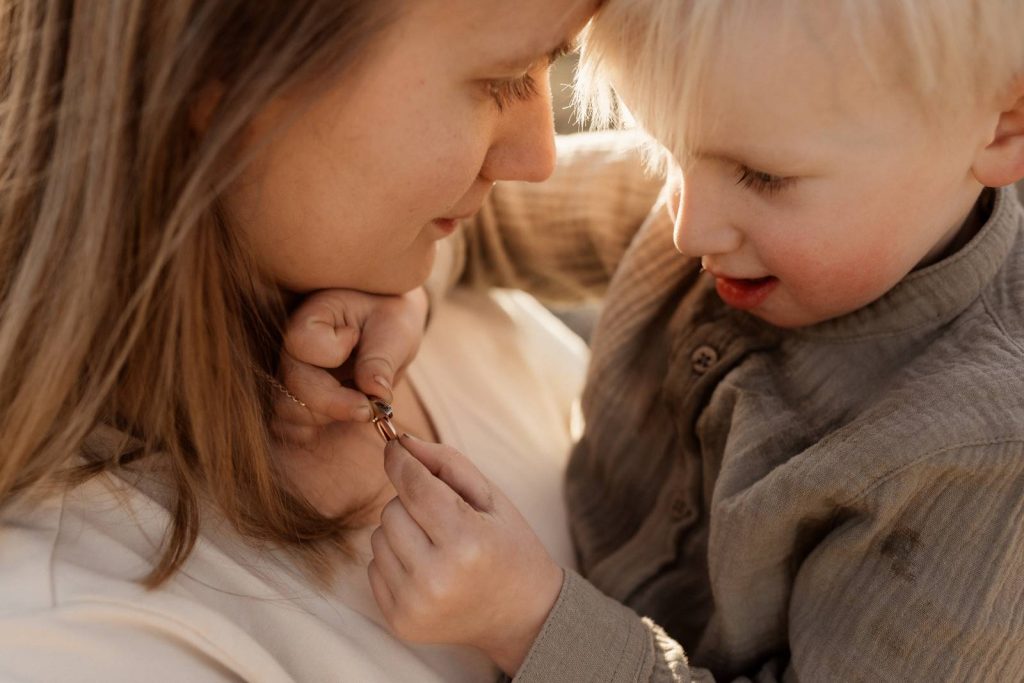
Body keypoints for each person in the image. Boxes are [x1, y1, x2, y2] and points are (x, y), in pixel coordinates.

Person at [280, 1, 1024, 680]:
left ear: (1001, 126)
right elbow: (486, 223)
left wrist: (530, 622)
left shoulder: (975, 458)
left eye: (762, 176)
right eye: (663, 147)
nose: (684, 229)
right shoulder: (736, 159)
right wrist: (406, 300)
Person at [0, 0, 602, 681]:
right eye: (505, 78)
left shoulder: (418, 284)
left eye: (552, 63)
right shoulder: (80, 645)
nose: (540, 157)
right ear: (225, 69)